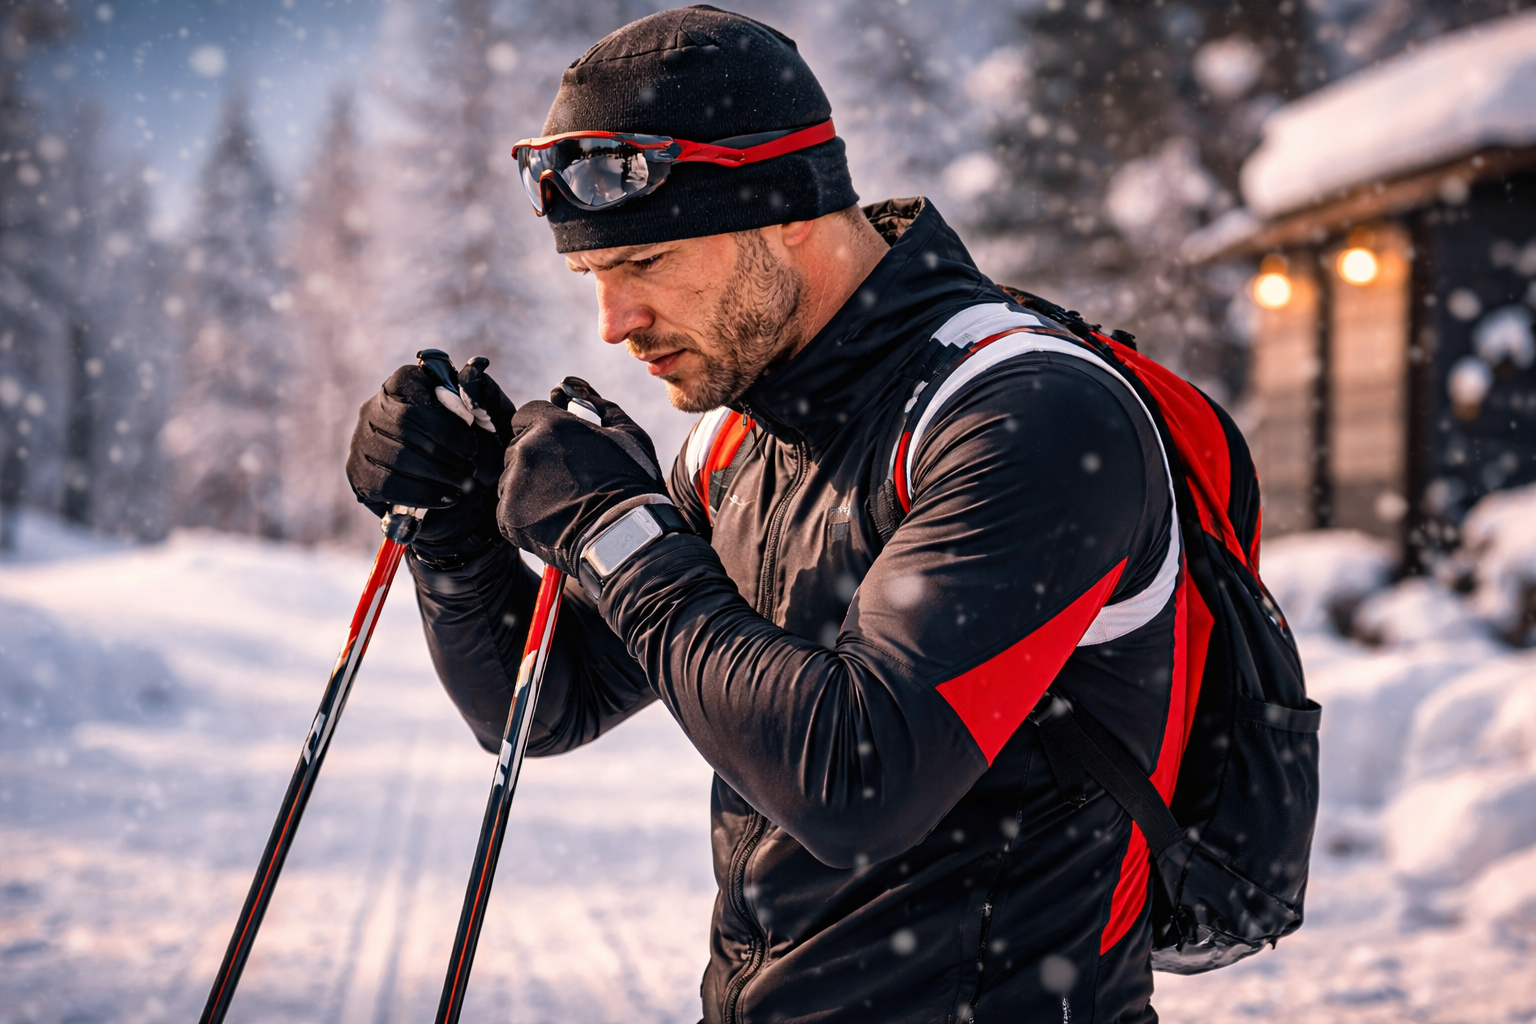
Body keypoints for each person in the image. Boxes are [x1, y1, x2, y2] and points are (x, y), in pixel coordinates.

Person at [347, 7, 1181, 1022]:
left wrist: (618, 532)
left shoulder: (1027, 415)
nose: (613, 324)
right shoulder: (743, 436)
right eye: (592, 275)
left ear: (788, 210)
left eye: (646, 263)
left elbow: (860, 781)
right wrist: (454, 536)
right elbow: (548, 703)